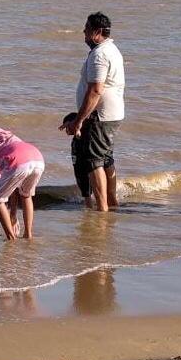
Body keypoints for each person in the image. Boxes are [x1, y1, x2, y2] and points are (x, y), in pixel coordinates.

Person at [61, 12, 125, 212]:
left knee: (93, 160)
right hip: (111, 115)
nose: (83, 32)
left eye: (87, 29)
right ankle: (111, 203)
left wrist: (79, 120)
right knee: (105, 158)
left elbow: (96, 89)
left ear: (97, 32)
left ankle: (102, 208)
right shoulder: (111, 49)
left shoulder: (100, 54)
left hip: (100, 117)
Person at [0, 125, 44, 240]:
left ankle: (11, 238)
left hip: (18, 161)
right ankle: (28, 235)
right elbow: (13, 189)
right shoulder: (11, 140)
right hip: (38, 158)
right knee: (26, 195)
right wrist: (13, 215)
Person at [63, 111, 94, 209]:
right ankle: (90, 205)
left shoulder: (80, 136)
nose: (66, 129)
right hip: (78, 168)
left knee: (86, 189)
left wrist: (75, 126)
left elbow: (79, 133)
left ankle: (90, 207)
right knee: (84, 188)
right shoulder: (75, 140)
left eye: (67, 126)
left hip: (83, 168)